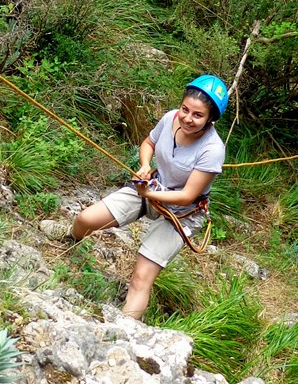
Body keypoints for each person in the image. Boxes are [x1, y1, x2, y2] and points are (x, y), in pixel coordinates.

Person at [42, 76, 228, 320]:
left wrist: (147, 193)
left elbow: (187, 196)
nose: (187, 118)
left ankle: (126, 332)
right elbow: (149, 143)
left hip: (182, 213)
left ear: (210, 119)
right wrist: (144, 165)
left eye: (197, 115)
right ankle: (70, 236)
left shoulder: (212, 149)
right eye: (185, 109)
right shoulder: (170, 119)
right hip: (152, 187)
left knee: (141, 278)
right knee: (85, 219)